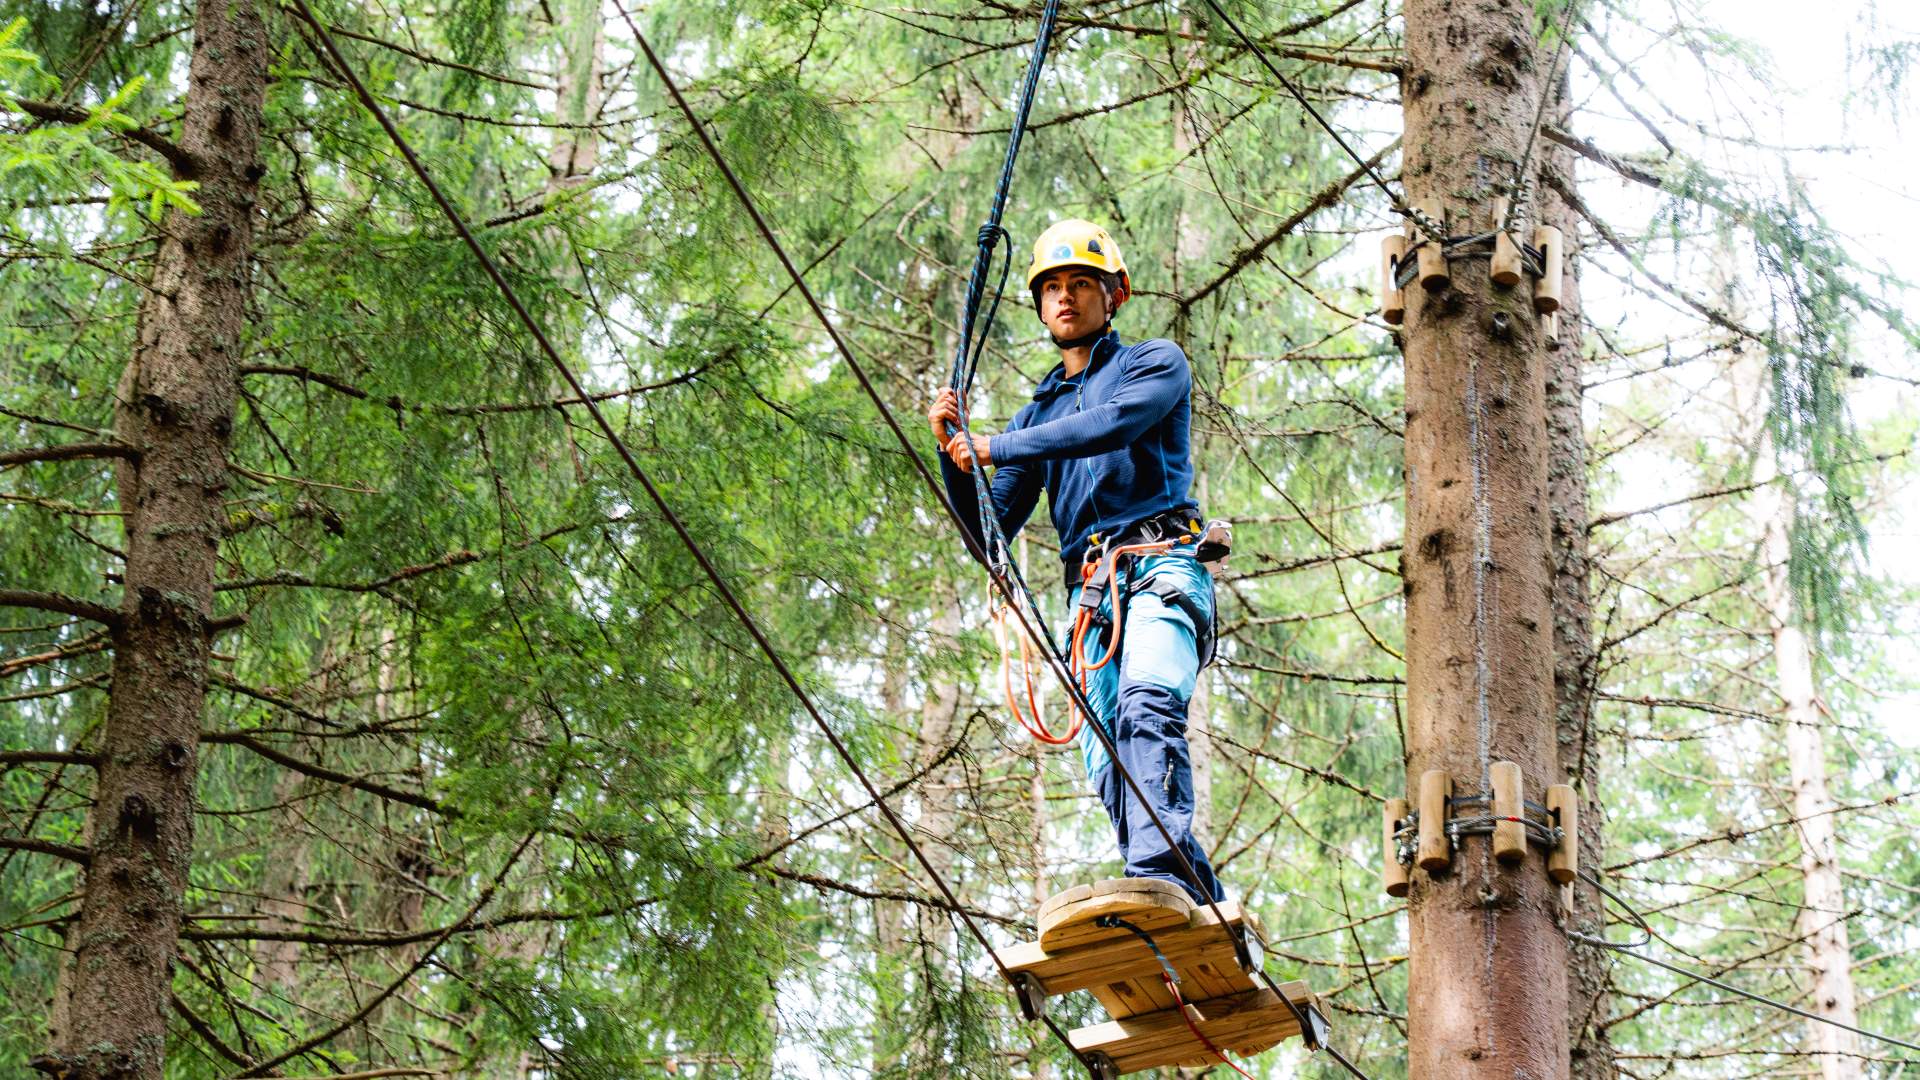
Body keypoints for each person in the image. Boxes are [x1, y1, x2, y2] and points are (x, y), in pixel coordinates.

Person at [927, 218, 1225, 905]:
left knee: (1148, 707)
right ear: (1038, 304)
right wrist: (955, 459)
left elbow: (1114, 423)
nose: (1065, 298)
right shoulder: (1037, 415)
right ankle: (1191, 899)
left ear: (1114, 294)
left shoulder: (1153, 363)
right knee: (1108, 760)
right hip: (1090, 602)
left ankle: (1154, 881)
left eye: (1082, 284)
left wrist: (994, 445)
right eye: (1052, 287)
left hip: (1158, 567)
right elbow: (989, 532)